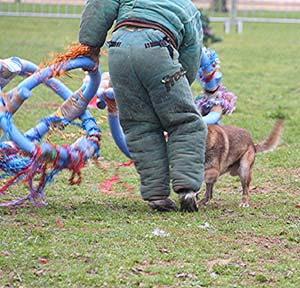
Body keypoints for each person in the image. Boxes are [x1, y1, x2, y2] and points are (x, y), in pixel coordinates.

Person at [79, 0, 207, 212]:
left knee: (139, 125)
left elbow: (99, 6)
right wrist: (179, 85)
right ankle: (187, 190)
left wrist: (90, 46)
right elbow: (192, 53)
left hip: (119, 50)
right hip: (159, 48)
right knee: (185, 122)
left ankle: (156, 196)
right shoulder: (187, 7)